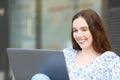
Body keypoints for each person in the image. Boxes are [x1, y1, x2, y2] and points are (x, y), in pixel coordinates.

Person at [63, 9, 120, 80]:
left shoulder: (110, 60)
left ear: (96, 30)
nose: (79, 35)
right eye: (75, 30)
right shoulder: (67, 55)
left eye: (84, 29)